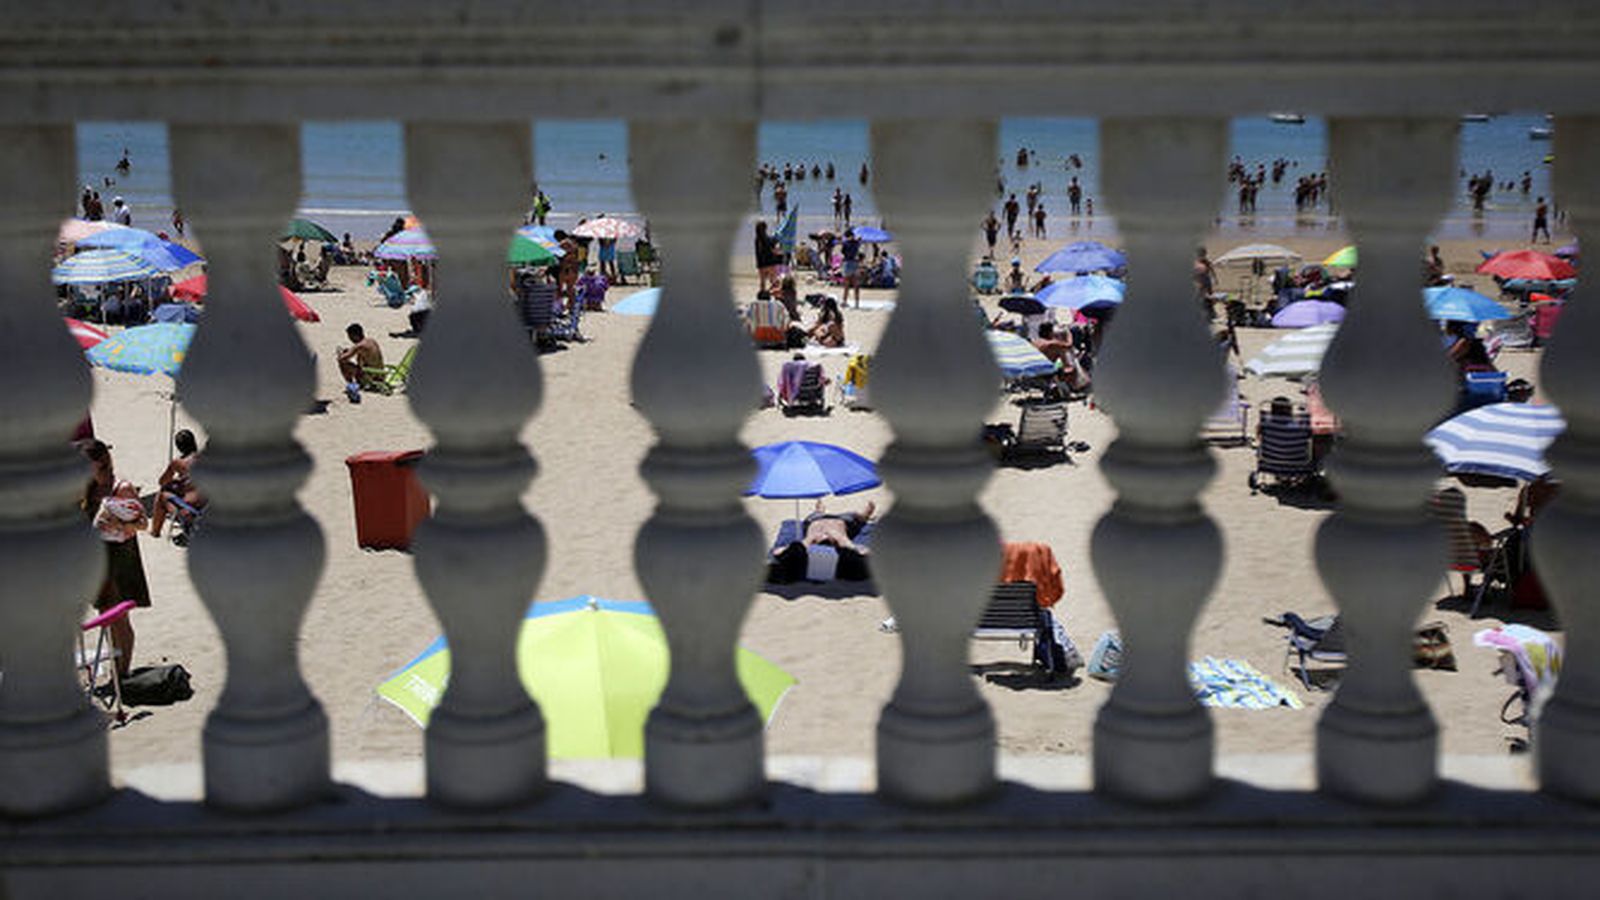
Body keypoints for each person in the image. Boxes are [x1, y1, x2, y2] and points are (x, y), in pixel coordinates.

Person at [78, 439, 149, 677]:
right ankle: (117, 668)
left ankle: (123, 672)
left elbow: (142, 522)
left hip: (120, 559)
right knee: (105, 617)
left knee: (120, 619)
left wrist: (122, 525)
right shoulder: (87, 488)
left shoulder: (122, 487)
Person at [150, 429, 205, 541]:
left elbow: (162, 481)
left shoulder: (178, 463)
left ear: (179, 447)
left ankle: (155, 532)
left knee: (162, 494)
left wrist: (175, 478)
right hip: (209, 505)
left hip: (192, 509)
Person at [803, 499, 876, 552]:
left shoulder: (813, 536)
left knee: (816, 515)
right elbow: (851, 546)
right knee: (854, 515)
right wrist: (861, 550)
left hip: (816, 519)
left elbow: (799, 547)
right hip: (842, 520)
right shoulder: (838, 537)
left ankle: (820, 511)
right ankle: (864, 515)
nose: (824, 536)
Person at [336, 323, 384, 403]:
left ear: (355, 335)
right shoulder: (371, 341)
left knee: (342, 363)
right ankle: (354, 383)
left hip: (371, 377)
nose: (350, 339)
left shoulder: (359, 346)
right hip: (380, 374)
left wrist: (340, 354)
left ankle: (351, 385)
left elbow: (342, 358)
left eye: (350, 337)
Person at [754, 220, 783, 294]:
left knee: (762, 282)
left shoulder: (757, 240)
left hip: (761, 264)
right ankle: (776, 294)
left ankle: (762, 296)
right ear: (765, 228)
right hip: (770, 263)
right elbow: (774, 244)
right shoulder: (768, 239)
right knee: (774, 281)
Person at [839, 229, 863, 306]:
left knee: (846, 285)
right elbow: (859, 242)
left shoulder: (845, 243)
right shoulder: (856, 243)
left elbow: (842, 252)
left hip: (847, 263)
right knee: (856, 285)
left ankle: (844, 301)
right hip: (854, 263)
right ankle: (856, 302)